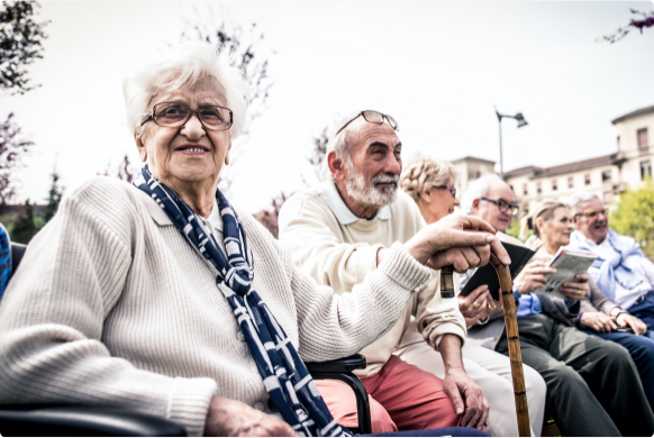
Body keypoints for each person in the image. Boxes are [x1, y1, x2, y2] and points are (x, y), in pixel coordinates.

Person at [0, 46, 502, 437]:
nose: (194, 126)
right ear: (139, 136)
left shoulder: (247, 236)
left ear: (229, 139)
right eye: (171, 111)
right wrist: (212, 413)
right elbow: (19, 357)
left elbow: (332, 328)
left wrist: (414, 255)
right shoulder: (108, 206)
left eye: (212, 114)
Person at [278, 115, 537, 436]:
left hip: (383, 366)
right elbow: (324, 267)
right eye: (378, 152)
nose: (394, 166)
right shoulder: (304, 208)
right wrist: (413, 253)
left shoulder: (403, 208)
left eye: (397, 152)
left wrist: (455, 369)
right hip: (321, 371)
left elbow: (437, 300)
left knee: (456, 412)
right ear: (337, 165)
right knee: (375, 423)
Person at [462, 175, 654, 436]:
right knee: (564, 379)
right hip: (505, 335)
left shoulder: (517, 246)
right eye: (502, 204)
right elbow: (468, 311)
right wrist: (516, 289)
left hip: (548, 326)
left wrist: (573, 299)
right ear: (475, 204)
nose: (509, 213)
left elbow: (551, 303)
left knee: (615, 357)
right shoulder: (461, 245)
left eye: (512, 207)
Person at [400, 160, 547, 436]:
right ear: (427, 192)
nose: (456, 200)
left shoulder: (447, 235)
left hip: (446, 334)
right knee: (506, 396)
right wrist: (455, 307)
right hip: (412, 340)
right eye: (451, 190)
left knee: (534, 385)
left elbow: (444, 294)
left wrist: (464, 309)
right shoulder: (406, 232)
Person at [527, 200, 654, 409]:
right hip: (575, 330)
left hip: (603, 323)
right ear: (542, 224)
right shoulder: (533, 261)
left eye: (571, 220)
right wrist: (583, 316)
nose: (570, 225)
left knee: (646, 337)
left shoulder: (573, 254)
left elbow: (599, 298)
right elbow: (544, 306)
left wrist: (620, 313)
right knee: (646, 349)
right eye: (564, 220)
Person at [569, 192, 654, 339]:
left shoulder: (625, 244)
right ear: (577, 221)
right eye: (593, 214)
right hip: (629, 314)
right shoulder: (574, 256)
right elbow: (591, 301)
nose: (601, 218)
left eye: (603, 212)